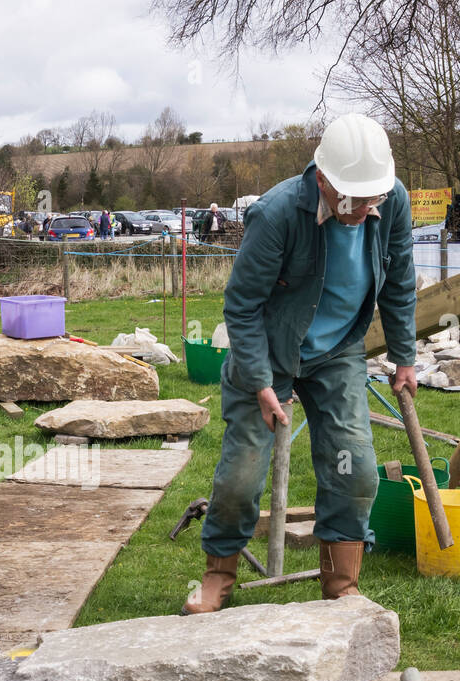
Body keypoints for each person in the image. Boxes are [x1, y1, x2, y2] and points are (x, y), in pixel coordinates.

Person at [182, 113, 417, 613]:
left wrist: (403, 356)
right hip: (267, 354)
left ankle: (340, 587)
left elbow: (399, 279)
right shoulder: (278, 213)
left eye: (372, 197)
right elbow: (242, 307)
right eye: (353, 198)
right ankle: (217, 577)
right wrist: (262, 383)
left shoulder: (391, 198)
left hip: (338, 354)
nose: (364, 208)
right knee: (241, 476)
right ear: (323, 180)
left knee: (355, 470)